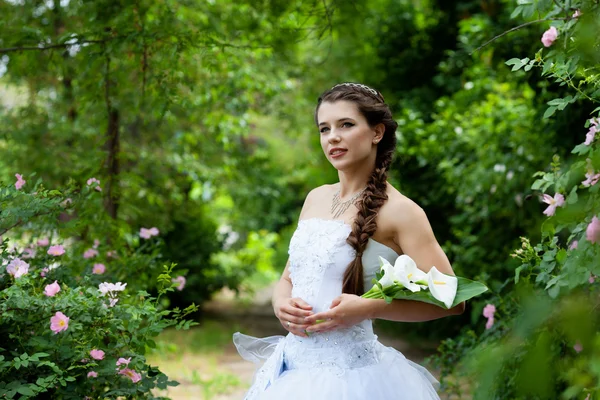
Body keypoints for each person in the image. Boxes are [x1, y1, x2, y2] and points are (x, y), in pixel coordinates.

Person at [233, 82, 465, 399]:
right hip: (291, 372)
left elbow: (452, 299)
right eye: (324, 129)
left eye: (346, 125)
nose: (333, 137)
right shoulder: (315, 198)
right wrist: (280, 302)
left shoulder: (402, 212)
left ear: (377, 132)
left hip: (354, 380)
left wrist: (368, 308)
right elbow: (290, 276)